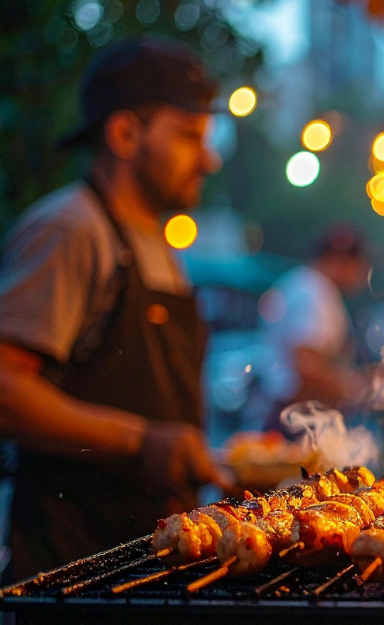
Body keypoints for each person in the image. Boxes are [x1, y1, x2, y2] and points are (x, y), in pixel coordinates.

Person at [0, 37, 229, 580]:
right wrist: (142, 441)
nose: (209, 158)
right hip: (71, 574)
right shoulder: (69, 230)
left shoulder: (159, 246)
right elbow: (6, 389)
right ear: (125, 133)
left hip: (148, 567)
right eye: (189, 136)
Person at [258, 226, 371, 432]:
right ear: (340, 260)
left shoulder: (304, 284)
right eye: (360, 265)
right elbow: (307, 366)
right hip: (296, 420)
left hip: (292, 415)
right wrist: (357, 389)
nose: (363, 274)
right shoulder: (313, 293)